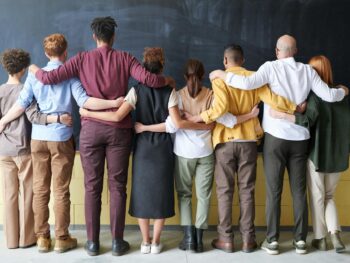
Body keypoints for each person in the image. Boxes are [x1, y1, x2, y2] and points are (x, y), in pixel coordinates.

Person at [29, 17, 175, 256]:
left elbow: (49, 78)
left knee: (91, 187)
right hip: (119, 131)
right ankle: (118, 242)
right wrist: (166, 80)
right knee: (118, 187)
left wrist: (35, 69)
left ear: (94, 37)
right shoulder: (126, 58)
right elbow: (149, 79)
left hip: (91, 131)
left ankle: (93, 243)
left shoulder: (82, 59)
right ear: (113, 37)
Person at [209, 35, 348, 255]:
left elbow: (245, 83)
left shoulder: (270, 68)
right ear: (295, 50)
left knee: (274, 191)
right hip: (301, 139)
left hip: (275, 138)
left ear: (277, 51)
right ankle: (300, 241)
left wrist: (220, 74)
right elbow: (330, 96)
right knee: (298, 191)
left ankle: (272, 241)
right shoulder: (308, 71)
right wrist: (343, 91)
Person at [80, 47, 212, 254]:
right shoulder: (171, 92)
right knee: (161, 193)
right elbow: (175, 123)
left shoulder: (135, 91)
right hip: (163, 148)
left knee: (141, 193)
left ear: (143, 67)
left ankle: (145, 241)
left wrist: (88, 112)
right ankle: (157, 242)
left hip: (142, 148)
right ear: (162, 66)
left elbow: (116, 117)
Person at [0, 34, 123, 253]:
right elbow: (85, 102)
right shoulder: (70, 76)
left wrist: (2, 121)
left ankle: (42, 239)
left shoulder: (34, 77)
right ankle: (62, 238)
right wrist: (113, 103)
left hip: (38, 138)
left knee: (40, 189)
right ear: (65, 52)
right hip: (62, 139)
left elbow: (20, 106)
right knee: (61, 190)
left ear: (46, 53)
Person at [188, 44, 298, 253]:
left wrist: (199, 117)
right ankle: (248, 240)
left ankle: (225, 239)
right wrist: (295, 107)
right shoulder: (254, 78)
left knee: (224, 191)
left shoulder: (219, 79)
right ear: (243, 60)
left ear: (225, 61)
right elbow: (273, 100)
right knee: (247, 191)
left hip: (225, 142)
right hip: (248, 141)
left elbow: (219, 109)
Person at [135, 58, 250, 253]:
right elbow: (215, 122)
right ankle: (198, 239)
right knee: (204, 196)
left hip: (183, 153)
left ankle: (188, 238)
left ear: (184, 76)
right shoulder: (211, 95)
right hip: (206, 152)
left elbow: (173, 125)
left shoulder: (177, 95)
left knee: (185, 195)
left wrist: (187, 121)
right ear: (203, 76)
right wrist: (203, 125)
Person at [269, 55, 349, 253]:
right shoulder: (342, 96)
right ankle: (335, 234)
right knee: (330, 196)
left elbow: (307, 120)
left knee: (317, 197)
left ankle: (321, 239)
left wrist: (282, 115)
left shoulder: (315, 97)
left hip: (316, 156)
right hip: (338, 157)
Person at [0, 48, 71, 249]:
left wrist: (3, 122)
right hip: (23, 148)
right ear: (23, 69)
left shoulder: (0, 91)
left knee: (9, 196)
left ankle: (12, 240)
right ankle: (27, 239)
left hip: (3, 150)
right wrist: (57, 118)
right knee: (29, 193)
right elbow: (33, 116)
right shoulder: (26, 89)